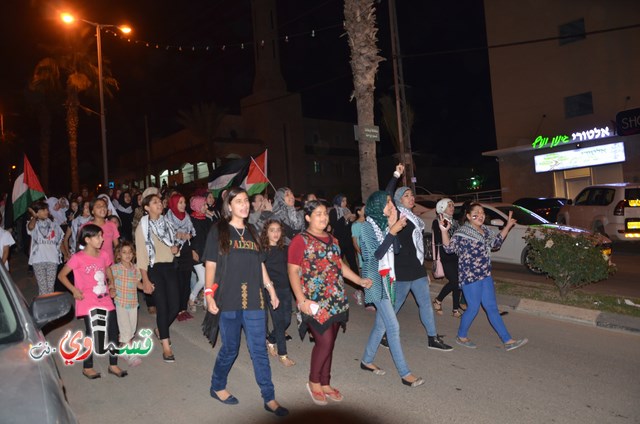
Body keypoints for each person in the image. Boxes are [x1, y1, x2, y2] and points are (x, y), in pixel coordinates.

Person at [202, 186, 289, 417]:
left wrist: (271, 289)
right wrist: (208, 294)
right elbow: (210, 264)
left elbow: (260, 264)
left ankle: (269, 397)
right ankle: (217, 385)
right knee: (230, 349)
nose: (244, 205)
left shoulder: (251, 230)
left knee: (258, 349)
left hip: (254, 299)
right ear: (229, 205)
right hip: (228, 299)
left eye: (246, 201)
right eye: (238, 201)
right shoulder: (218, 230)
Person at [288, 200, 372, 406]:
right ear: (307, 218)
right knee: (324, 342)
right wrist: (301, 300)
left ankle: (325, 383)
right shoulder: (300, 240)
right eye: (317, 214)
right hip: (314, 302)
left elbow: (340, 266)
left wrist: (359, 281)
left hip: (336, 299)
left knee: (330, 343)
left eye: (325, 213)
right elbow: (292, 271)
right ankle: (313, 382)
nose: (323, 217)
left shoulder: (333, 240)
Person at [440, 202, 528, 351]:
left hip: (485, 274)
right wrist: (444, 231)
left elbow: (495, 243)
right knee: (473, 308)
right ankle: (461, 336)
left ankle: (508, 340)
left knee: (492, 307)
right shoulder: (462, 233)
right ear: (468, 216)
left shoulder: (486, 230)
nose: (480, 215)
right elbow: (449, 249)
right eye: (476, 212)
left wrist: (508, 226)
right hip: (470, 275)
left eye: (482, 213)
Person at [359, 191, 425, 387]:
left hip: (389, 278)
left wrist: (391, 227)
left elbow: (395, 250)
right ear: (378, 206)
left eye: (390, 202)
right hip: (375, 280)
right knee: (393, 327)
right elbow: (376, 255)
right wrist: (392, 231)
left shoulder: (383, 225)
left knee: (381, 325)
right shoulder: (365, 227)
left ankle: (366, 361)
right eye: (387, 202)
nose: (391, 205)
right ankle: (405, 374)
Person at [388, 165, 452, 351]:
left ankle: (432, 337)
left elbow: (417, 247)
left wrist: (424, 269)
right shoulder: (396, 214)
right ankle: (383, 333)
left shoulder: (413, 217)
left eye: (412, 195)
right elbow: (388, 194)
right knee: (395, 306)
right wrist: (396, 174)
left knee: (425, 304)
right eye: (407, 195)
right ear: (399, 199)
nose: (411, 197)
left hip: (416, 267)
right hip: (401, 268)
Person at [58, 224, 127, 379]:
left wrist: (112, 285)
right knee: (92, 333)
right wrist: (74, 290)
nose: (102, 239)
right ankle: (87, 366)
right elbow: (62, 276)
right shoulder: (78, 257)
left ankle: (113, 364)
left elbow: (107, 269)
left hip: (104, 297)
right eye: (98, 236)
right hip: (87, 299)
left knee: (113, 331)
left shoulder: (103, 254)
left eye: (102, 236)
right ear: (87, 239)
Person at [135, 193, 181, 362]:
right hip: (154, 268)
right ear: (146, 208)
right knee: (162, 306)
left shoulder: (167, 222)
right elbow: (141, 254)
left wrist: (176, 249)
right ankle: (166, 347)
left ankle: (161, 329)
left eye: (159, 201)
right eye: (154, 202)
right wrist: (145, 279)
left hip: (169, 267)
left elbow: (174, 243)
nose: (159, 204)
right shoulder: (143, 226)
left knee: (175, 306)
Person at [261, 219, 295, 367]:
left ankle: (271, 339)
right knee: (279, 322)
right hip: (271, 290)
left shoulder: (286, 249)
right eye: (272, 230)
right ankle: (283, 355)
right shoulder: (263, 250)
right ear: (266, 233)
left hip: (286, 289)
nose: (275, 233)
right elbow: (259, 271)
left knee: (287, 320)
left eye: (278, 230)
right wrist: (269, 287)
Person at [111, 241, 144, 367]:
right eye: (124, 252)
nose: (127, 255)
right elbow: (110, 282)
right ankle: (130, 353)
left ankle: (123, 349)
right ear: (119, 255)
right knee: (126, 329)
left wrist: (147, 287)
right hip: (121, 303)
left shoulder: (135, 268)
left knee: (131, 329)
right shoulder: (115, 269)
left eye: (130, 252)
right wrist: (111, 289)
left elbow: (138, 284)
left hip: (133, 303)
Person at [165, 192, 196, 322]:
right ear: (174, 203)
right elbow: (168, 234)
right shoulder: (168, 217)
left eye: (184, 202)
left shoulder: (187, 216)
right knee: (178, 282)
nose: (183, 205)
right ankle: (176, 308)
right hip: (175, 252)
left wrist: (188, 235)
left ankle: (183, 308)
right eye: (180, 202)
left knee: (186, 280)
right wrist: (180, 235)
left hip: (186, 251)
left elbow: (192, 231)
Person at [432, 198, 464, 317]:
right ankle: (438, 299)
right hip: (445, 256)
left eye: (452, 205)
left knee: (458, 282)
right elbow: (439, 240)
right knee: (454, 281)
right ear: (442, 207)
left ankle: (455, 309)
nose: (452, 208)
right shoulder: (437, 221)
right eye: (449, 206)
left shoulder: (456, 222)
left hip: (457, 255)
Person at [26, 201, 64, 295]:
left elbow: (59, 240)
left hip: (52, 259)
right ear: (36, 212)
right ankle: (44, 308)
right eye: (43, 210)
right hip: (38, 260)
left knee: (50, 288)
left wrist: (66, 254)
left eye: (46, 209)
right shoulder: (32, 223)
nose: (46, 211)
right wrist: (34, 217)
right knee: (43, 289)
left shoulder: (54, 223)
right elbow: (30, 228)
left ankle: (49, 307)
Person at [187, 195, 210, 313]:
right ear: (198, 206)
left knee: (208, 279)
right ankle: (191, 298)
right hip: (196, 253)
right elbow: (188, 238)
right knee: (202, 280)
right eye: (204, 204)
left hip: (206, 252)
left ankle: (206, 303)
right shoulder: (190, 220)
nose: (206, 206)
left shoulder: (206, 219)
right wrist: (192, 251)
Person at [87, 198, 120, 265]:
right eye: (98, 206)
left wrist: (118, 259)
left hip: (109, 263)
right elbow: (81, 247)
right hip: (93, 264)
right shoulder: (87, 226)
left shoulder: (111, 225)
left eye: (104, 206)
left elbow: (117, 245)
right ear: (92, 211)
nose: (103, 208)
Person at [329, 194, 358, 271]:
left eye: (346, 201)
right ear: (338, 201)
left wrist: (351, 221)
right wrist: (344, 218)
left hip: (348, 240)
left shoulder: (347, 210)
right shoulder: (333, 211)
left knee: (353, 262)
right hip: (339, 241)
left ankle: (356, 280)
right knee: (338, 261)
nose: (345, 203)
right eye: (343, 201)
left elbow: (348, 226)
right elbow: (335, 225)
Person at [350, 203, 366, 306]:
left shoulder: (369, 222)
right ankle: (359, 293)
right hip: (363, 255)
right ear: (359, 212)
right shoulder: (355, 225)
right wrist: (361, 253)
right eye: (364, 208)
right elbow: (355, 242)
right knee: (363, 276)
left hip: (371, 254)